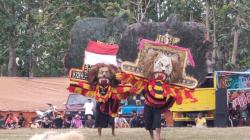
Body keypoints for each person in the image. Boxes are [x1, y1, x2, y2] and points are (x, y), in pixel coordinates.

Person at [68, 63, 134, 136]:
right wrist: (75, 85)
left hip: (110, 103)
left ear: (111, 74)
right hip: (100, 103)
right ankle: (99, 134)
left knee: (111, 119)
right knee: (99, 119)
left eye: (106, 72)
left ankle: (113, 132)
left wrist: (129, 89)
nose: (104, 74)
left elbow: (121, 88)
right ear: (96, 74)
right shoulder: (95, 84)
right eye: (101, 72)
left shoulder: (113, 83)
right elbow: (86, 87)